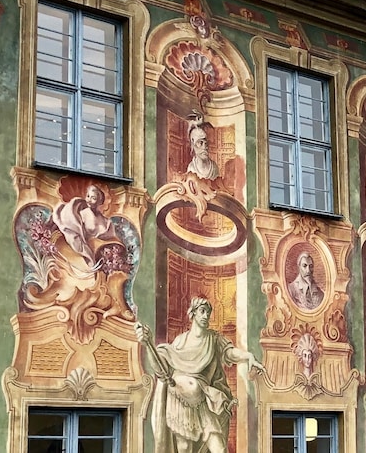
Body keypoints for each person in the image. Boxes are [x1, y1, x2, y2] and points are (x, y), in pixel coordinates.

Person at [135, 297, 264, 453]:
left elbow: (229, 352)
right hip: (179, 401)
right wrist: (148, 344)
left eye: (208, 313)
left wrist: (249, 356)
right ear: (193, 313)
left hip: (203, 402)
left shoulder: (213, 338)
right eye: (202, 311)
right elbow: (162, 370)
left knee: (220, 449)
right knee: (184, 449)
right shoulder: (180, 341)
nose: (205, 316)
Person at [52, 184, 117, 266]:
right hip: (83, 254)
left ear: (100, 201)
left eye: (93, 198)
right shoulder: (81, 214)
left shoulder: (107, 222)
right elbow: (75, 235)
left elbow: (111, 240)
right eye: (88, 196)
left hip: (100, 256)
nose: (89, 200)